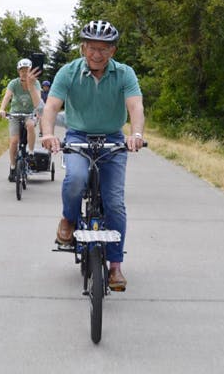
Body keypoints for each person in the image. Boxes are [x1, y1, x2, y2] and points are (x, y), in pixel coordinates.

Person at [41, 20, 145, 292]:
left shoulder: (124, 74)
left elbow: (135, 106)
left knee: (114, 202)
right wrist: (48, 134)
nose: (96, 54)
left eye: (103, 49)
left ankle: (115, 267)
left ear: (113, 50)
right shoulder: (68, 72)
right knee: (75, 178)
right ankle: (69, 219)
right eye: (91, 48)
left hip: (112, 139)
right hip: (78, 137)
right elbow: (51, 106)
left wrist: (135, 134)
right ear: (83, 47)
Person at [0, 58, 42, 182]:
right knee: (14, 141)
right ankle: (12, 168)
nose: (24, 73)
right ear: (18, 72)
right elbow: (7, 96)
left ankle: (31, 153)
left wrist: (38, 112)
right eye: (21, 70)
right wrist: (2, 109)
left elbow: (38, 100)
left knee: (30, 125)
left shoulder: (35, 83)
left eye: (27, 70)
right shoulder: (14, 83)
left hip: (29, 113)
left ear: (30, 71)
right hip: (15, 114)